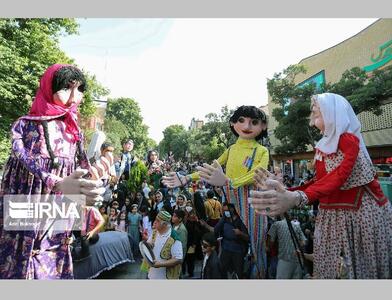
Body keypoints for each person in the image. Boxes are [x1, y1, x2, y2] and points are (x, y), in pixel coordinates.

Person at [250, 93, 392, 279]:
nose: (311, 122)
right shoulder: (327, 144)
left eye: (316, 115)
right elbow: (321, 181)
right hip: (334, 215)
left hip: (355, 218)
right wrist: (287, 191)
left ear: (334, 115)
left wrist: (297, 197)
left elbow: (337, 178)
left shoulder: (348, 140)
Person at [0, 64, 105, 279]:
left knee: (56, 256)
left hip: (61, 207)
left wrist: (89, 191)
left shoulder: (74, 130)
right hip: (28, 200)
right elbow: (24, 158)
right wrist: (53, 181)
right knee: (28, 257)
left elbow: (82, 167)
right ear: (49, 88)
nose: (74, 97)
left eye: (79, 89)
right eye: (67, 88)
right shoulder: (25, 126)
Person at [164, 105, 269, 277]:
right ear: (233, 123)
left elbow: (257, 173)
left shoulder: (261, 150)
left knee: (257, 245)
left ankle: (261, 277)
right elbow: (211, 169)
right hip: (231, 201)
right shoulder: (232, 149)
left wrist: (229, 182)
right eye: (241, 121)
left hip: (253, 201)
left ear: (263, 126)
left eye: (254, 122)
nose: (247, 126)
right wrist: (187, 177)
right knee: (231, 247)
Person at [144, 210, 183, 279]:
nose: (154, 222)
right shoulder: (155, 232)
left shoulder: (174, 238)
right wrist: (149, 246)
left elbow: (178, 259)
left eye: (157, 220)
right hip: (151, 274)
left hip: (165, 277)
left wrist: (160, 264)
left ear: (165, 224)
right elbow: (148, 244)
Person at [214, 203, 249, 279]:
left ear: (232, 209)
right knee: (222, 268)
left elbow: (248, 238)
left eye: (227, 210)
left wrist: (240, 233)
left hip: (237, 250)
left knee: (238, 271)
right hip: (226, 249)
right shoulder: (224, 219)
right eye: (224, 211)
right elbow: (216, 229)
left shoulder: (240, 220)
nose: (225, 212)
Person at [267, 214, 307, 279]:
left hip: (284, 260)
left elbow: (270, 243)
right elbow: (304, 242)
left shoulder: (276, 224)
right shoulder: (297, 225)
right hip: (298, 261)